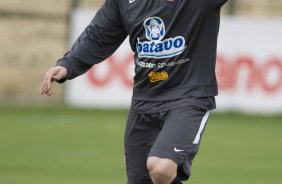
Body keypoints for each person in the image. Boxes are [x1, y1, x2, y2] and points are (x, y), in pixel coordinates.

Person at [41, 0, 228, 183]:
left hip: (189, 97)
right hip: (144, 100)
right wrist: (68, 65)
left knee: (161, 168)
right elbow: (98, 36)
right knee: (142, 178)